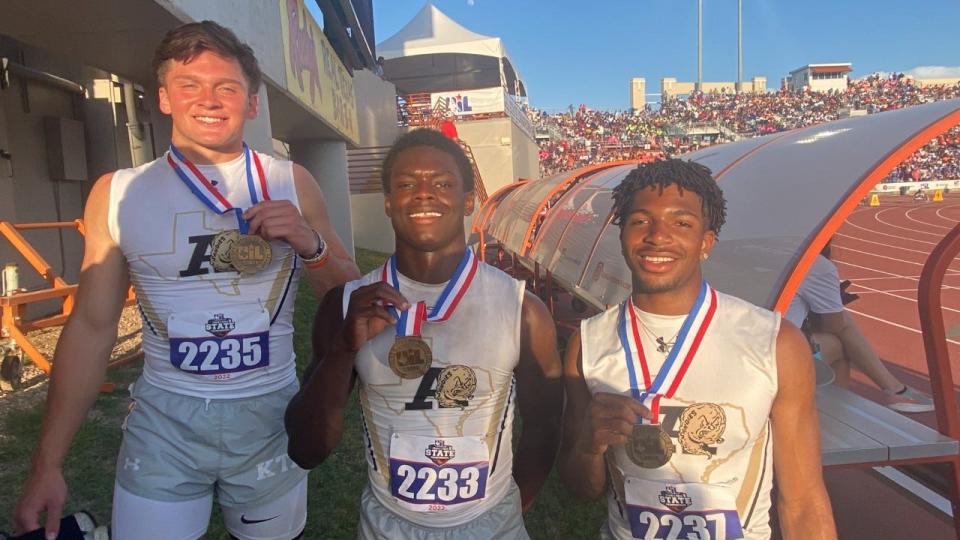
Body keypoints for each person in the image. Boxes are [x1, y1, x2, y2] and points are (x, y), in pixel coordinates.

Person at [14, 21, 359, 540]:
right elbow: (90, 327)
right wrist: (48, 462)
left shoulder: (291, 181)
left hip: (268, 414)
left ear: (252, 103)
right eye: (190, 85)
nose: (210, 99)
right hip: (165, 424)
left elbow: (351, 296)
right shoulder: (118, 192)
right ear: (165, 98)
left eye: (227, 87)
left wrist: (310, 243)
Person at [285, 128, 563, 538]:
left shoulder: (522, 309)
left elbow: (544, 424)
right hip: (388, 528)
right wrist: (343, 349)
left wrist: (507, 511)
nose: (424, 193)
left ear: (468, 200)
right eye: (406, 184)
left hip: (492, 524)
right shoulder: (345, 305)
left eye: (443, 183)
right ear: (388, 202)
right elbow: (305, 449)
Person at [559, 160, 836, 539]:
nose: (658, 236)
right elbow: (579, 489)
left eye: (681, 223)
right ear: (621, 235)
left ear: (706, 243)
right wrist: (589, 446)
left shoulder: (775, 342)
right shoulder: (587, 344)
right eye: (641, 221)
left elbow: (803, 500)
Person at [785, 248, 934, 413]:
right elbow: (834, 326)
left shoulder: (756, 250)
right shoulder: (814, 264)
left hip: (754, 343)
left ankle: (894, 388)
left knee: (840, 325)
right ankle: (833, 416)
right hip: (776, 356)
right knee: (840, 346)